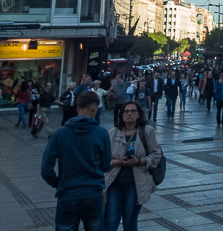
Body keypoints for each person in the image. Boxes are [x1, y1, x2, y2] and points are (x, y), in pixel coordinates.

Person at [41, 90, 112, 231]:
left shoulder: (60, 134)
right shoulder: (102, 133)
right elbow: (105, 166)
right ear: (94, 108)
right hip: (93, 194)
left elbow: (45, 170)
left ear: (77, 108)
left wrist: (59, 184)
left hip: (68, 194)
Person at [104, 101, 161, 231]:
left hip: (135, 184)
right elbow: (103, 160)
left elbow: (156, 155)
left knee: (129, 222)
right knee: (111, 222)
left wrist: (139, 161)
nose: (129, 113)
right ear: (122, 115)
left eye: (133, 111)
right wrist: (118, 162)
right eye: (126, 111)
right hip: (114, 183)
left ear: (138, 115)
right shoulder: (112, 133)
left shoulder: (147, 131)